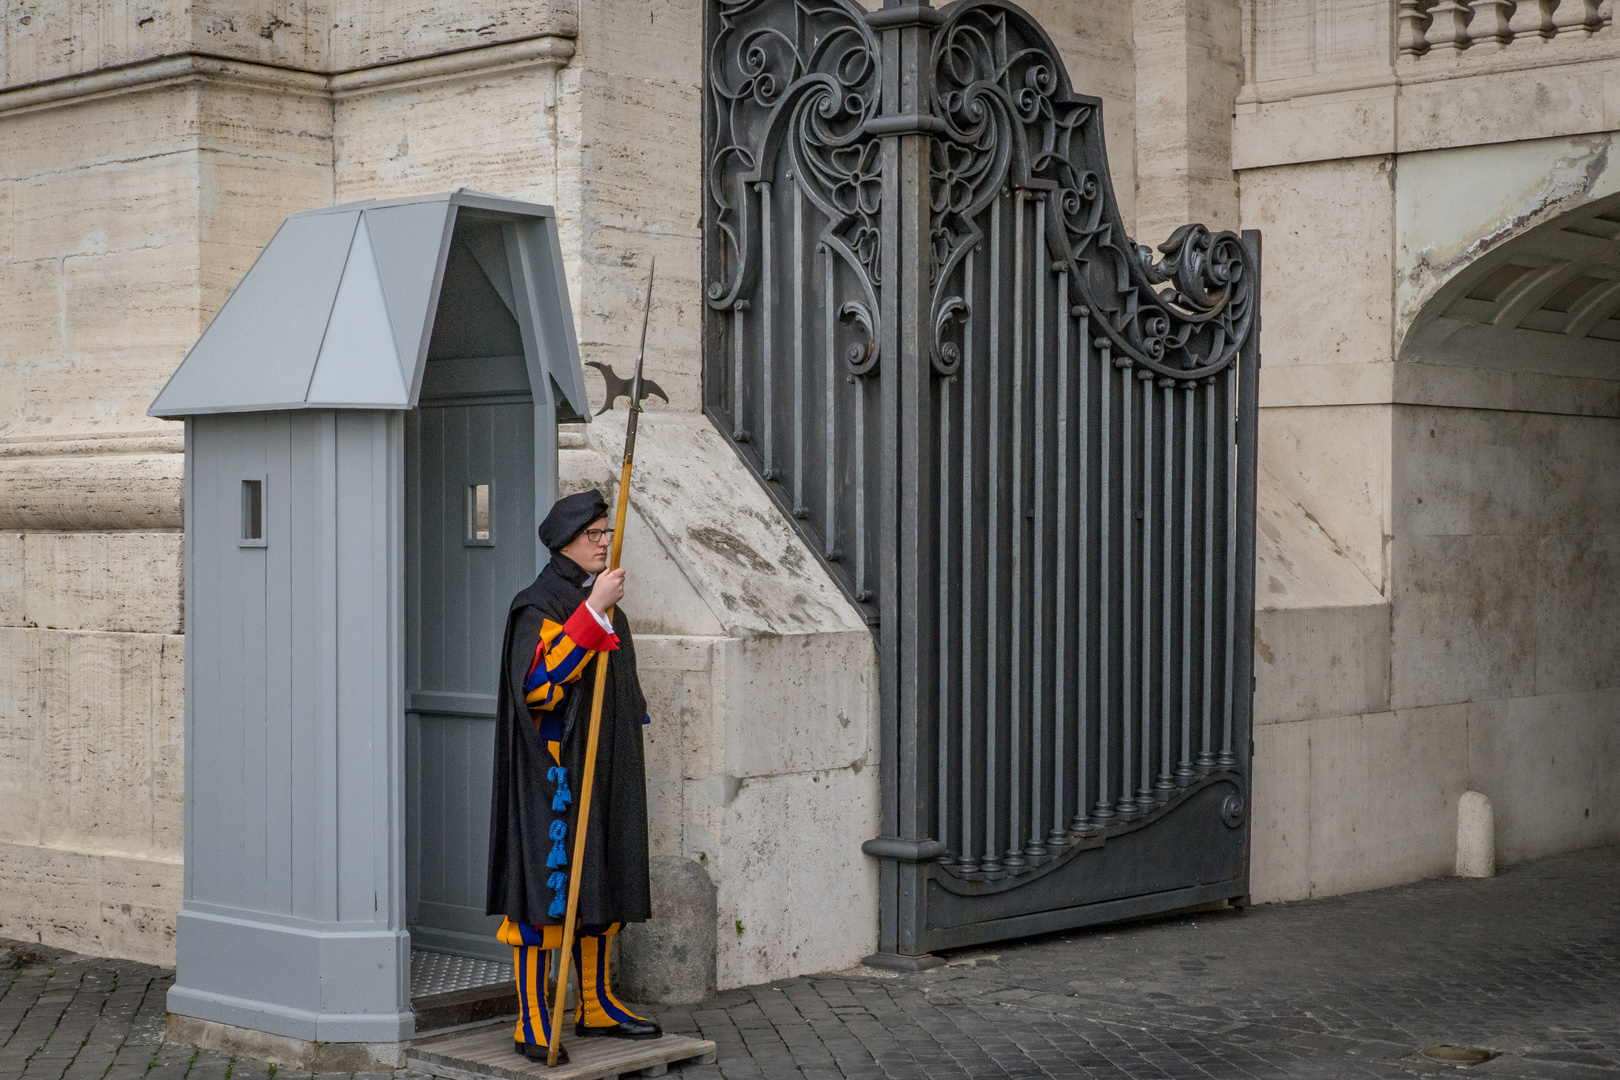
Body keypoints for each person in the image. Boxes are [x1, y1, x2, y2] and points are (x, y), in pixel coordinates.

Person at [486, 489, 661, 1063]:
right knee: (543, 894)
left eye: (607, 534)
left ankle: (593, 1001)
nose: (604, 543)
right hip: (553, 776)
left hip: (604, 768)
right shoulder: (536, 605)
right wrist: (591, 617)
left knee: (600, 881)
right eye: (595, 535)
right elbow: (538, 687)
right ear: (565, 542)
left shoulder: (605, 606)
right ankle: (532, 1018)